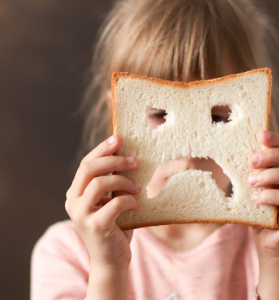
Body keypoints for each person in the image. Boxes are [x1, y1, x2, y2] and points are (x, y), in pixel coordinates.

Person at [31, 0, 279, 299]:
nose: (190, 148)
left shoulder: (269, 246)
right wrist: (109, 269)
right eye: (160, 114)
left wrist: (273, 262)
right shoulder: (68, 251)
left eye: (219, 116)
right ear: (119, 117)